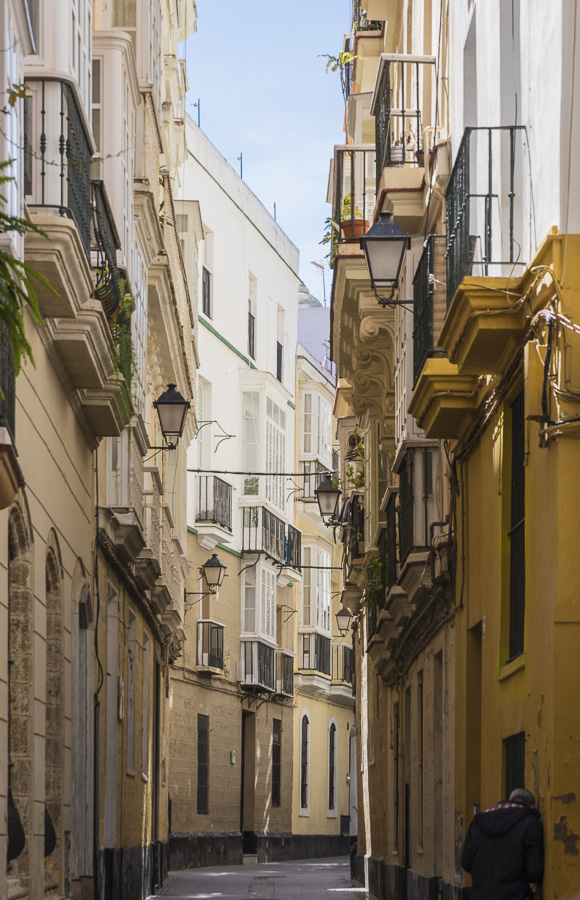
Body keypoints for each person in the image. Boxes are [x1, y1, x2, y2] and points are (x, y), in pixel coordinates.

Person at [461, 788, 544, 900]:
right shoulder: (531, 824)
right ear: (532, 806)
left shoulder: (477, 823)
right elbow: (533, 872)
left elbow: (466, 863)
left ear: (509, 800)